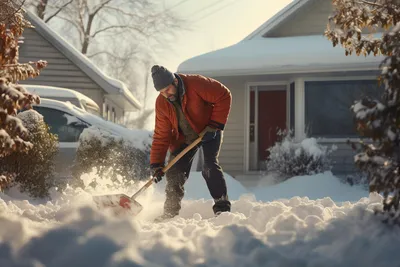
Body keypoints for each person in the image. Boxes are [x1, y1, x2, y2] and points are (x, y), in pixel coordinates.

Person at [149, 65, 232, 222]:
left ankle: (222, 208)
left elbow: (223, 95)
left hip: (208, 129)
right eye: (161, 92)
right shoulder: (162, 103)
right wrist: (156, 164)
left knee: (209, 166)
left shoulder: (196, 84)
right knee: (174, 172)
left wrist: (214, 125)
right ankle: (170, 213)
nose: (166, 95)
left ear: (175, 81)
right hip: (185, 137)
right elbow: (161, 135)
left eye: (168, 89)